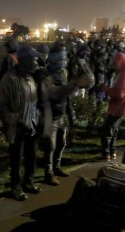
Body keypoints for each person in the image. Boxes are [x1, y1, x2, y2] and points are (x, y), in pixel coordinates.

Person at [0, 46, 51, 201]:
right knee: (16, 160)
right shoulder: (10, 79)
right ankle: (15, 187)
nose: (36, 62)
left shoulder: (34, 77)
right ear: (24, 61)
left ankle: (29, 182)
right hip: (18, 127)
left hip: (33, 125)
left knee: (31, 157)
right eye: (33, 59)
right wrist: (12, 119)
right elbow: (1, 104)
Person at [40, 44, 91, 186]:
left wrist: (70, 112)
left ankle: (56, 167)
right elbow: (56, 92)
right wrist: (75, 84)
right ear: (52, 59)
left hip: (61, 114)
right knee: (50, 146)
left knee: (61, 143)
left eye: (64, 59)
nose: (63, 62)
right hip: (50, 116)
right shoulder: (45, 75)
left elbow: (66, 96)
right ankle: (48, 173)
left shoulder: (63, 73)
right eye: (60, 59)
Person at [98, 51, 125, 161]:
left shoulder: (124, 76)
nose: (114, 65)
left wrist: (105, 89)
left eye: (116, 63)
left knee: (106, 131)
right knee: (114, 131)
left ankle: (106, 154)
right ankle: (112, 152)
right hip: (121, 108)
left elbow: (119, 94)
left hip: (117, 108)